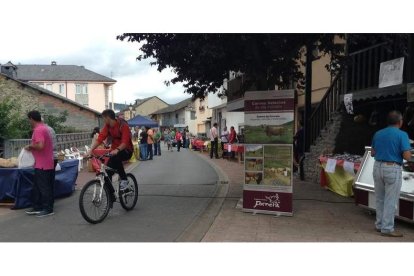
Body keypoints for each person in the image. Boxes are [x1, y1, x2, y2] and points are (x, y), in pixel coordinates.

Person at [371, 110, 411, 237]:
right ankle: (387, 228)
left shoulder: (378, 133)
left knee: (380, 198)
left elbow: (372, 153)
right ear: (400, 122)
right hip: (392, 168)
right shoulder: (402, 134)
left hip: (377, 167)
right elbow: (407, 156)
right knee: (390, 200)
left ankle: (379, 225)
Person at [87, 109, 133, 203]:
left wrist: (117, 149)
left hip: (126, 150)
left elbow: (125, 142)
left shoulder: (123, 125)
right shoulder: (107, 127)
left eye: (104, 118)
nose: (103, 121)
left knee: (116, 157)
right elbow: (100, 139)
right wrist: (90, 150)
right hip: (114, 151)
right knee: (107, 173)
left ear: (108, 118)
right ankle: (111, 195)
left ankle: (124, 180)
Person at [24, 110, 55, 217]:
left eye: (29, 119)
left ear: (32, 119)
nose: (29, 121)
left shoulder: (39, 130)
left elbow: (41, 146)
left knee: (44, 187)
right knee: (38, 186)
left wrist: (30, 146)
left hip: (43, 164)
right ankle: (38, 206)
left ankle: (48, 208)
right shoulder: (43, 128)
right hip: (44, 162)